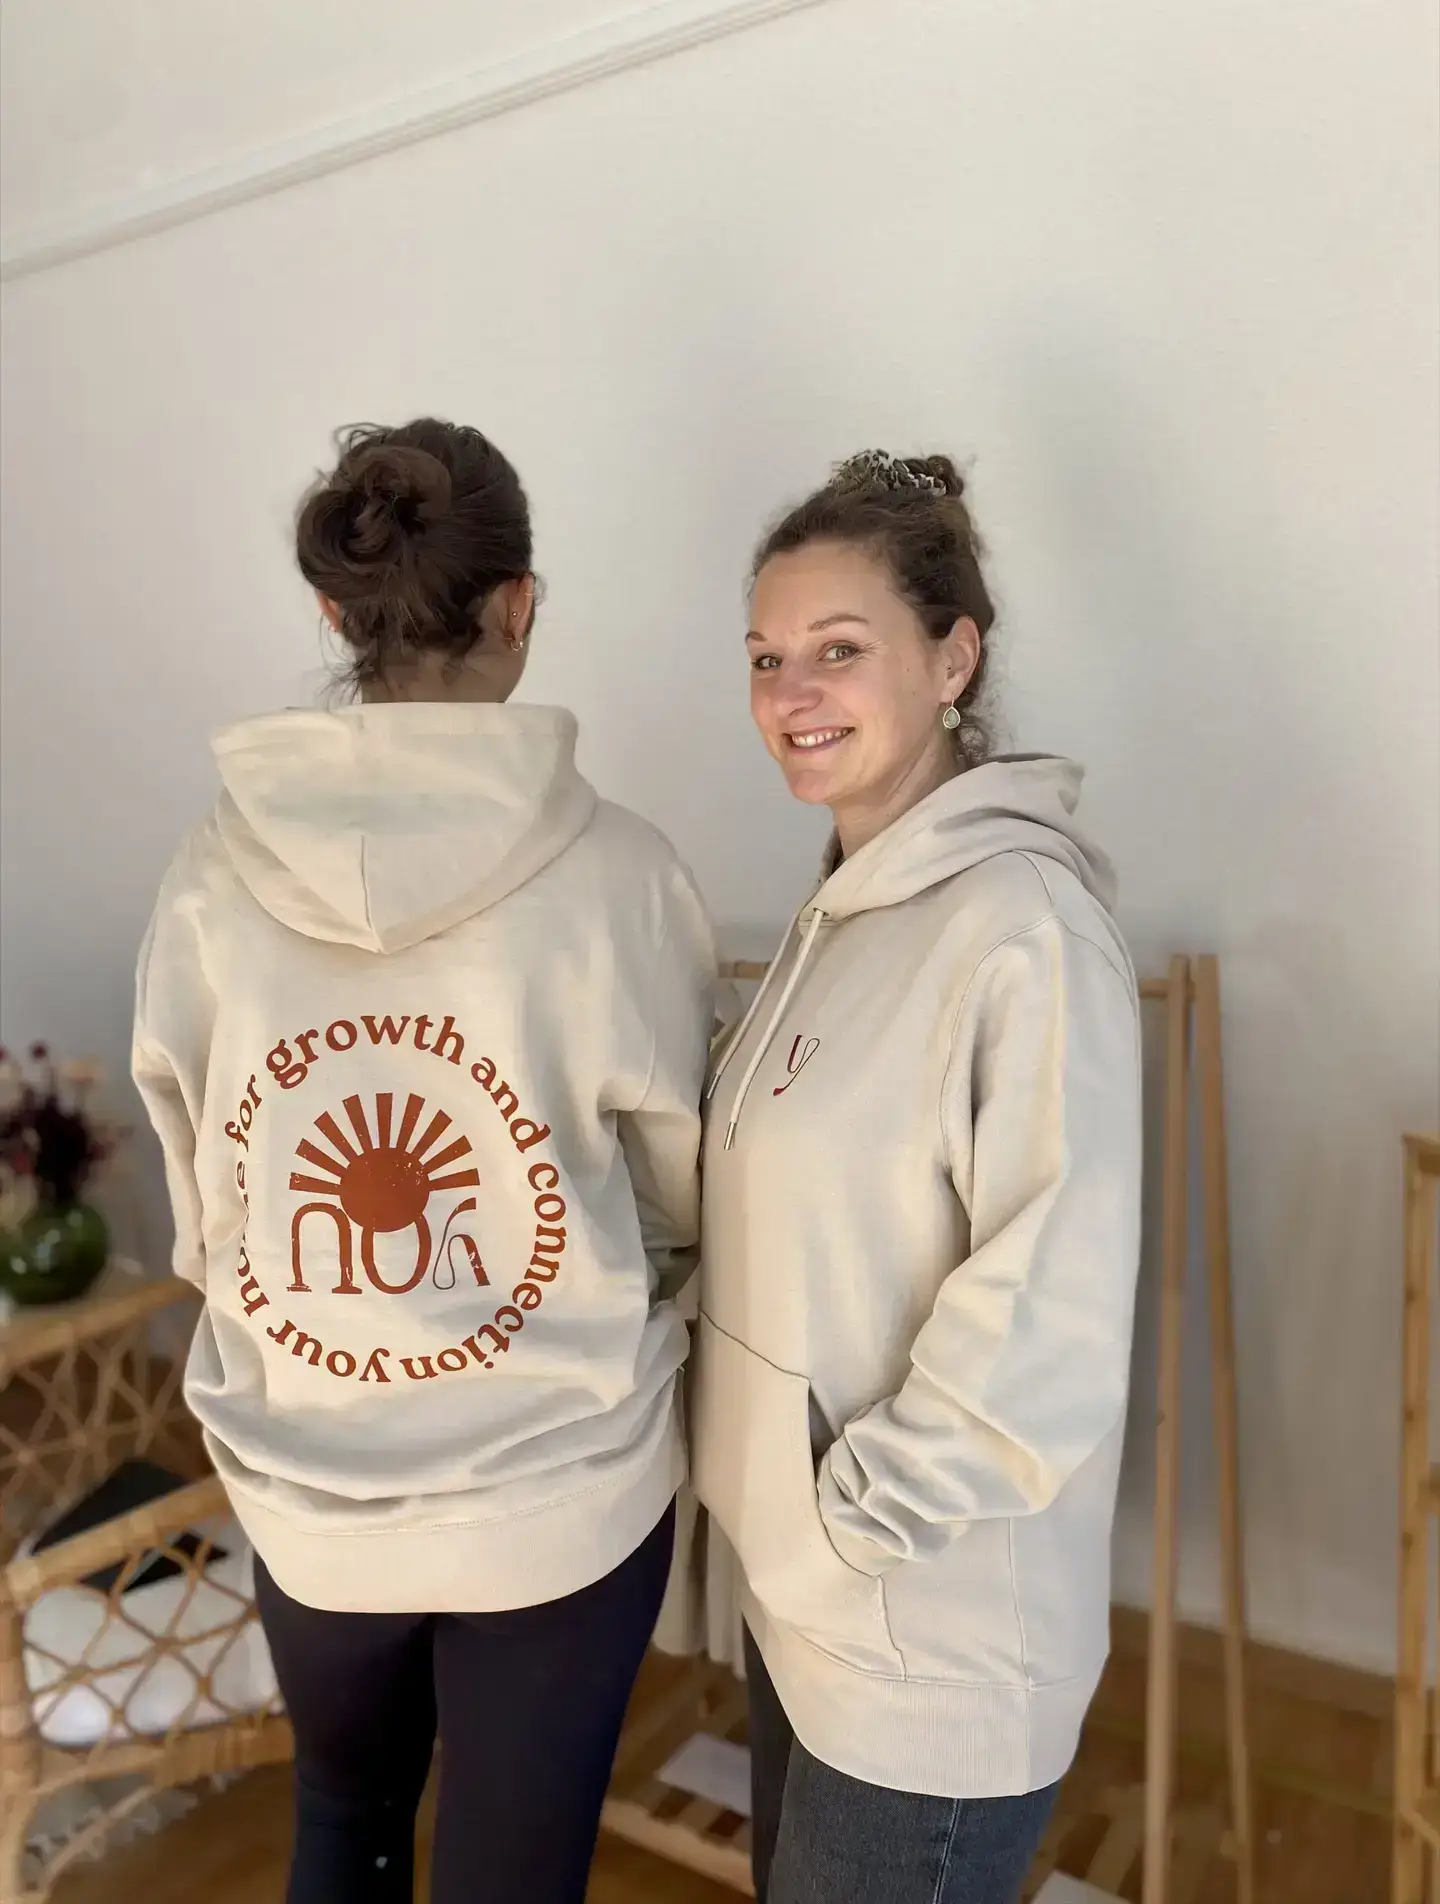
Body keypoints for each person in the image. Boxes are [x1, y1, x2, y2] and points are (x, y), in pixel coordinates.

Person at [133, 419, 714, 1904]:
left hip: (308, 1482)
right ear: (521, 604)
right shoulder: (625, 874)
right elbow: (682, 1188)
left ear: (338, 616)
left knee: (345, 1822)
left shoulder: (207, 875)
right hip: (556, 1492)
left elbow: (201, 1177)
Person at [692, 449, 1143, 1904]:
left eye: (839, 649)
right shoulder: (840, 908)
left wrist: (843, 1530)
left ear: (955, 658)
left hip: (927, 1642)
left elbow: (1046, 1321)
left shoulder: (1025, 931)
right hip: (809, 1595)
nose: (790, 693)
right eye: (766, 657)